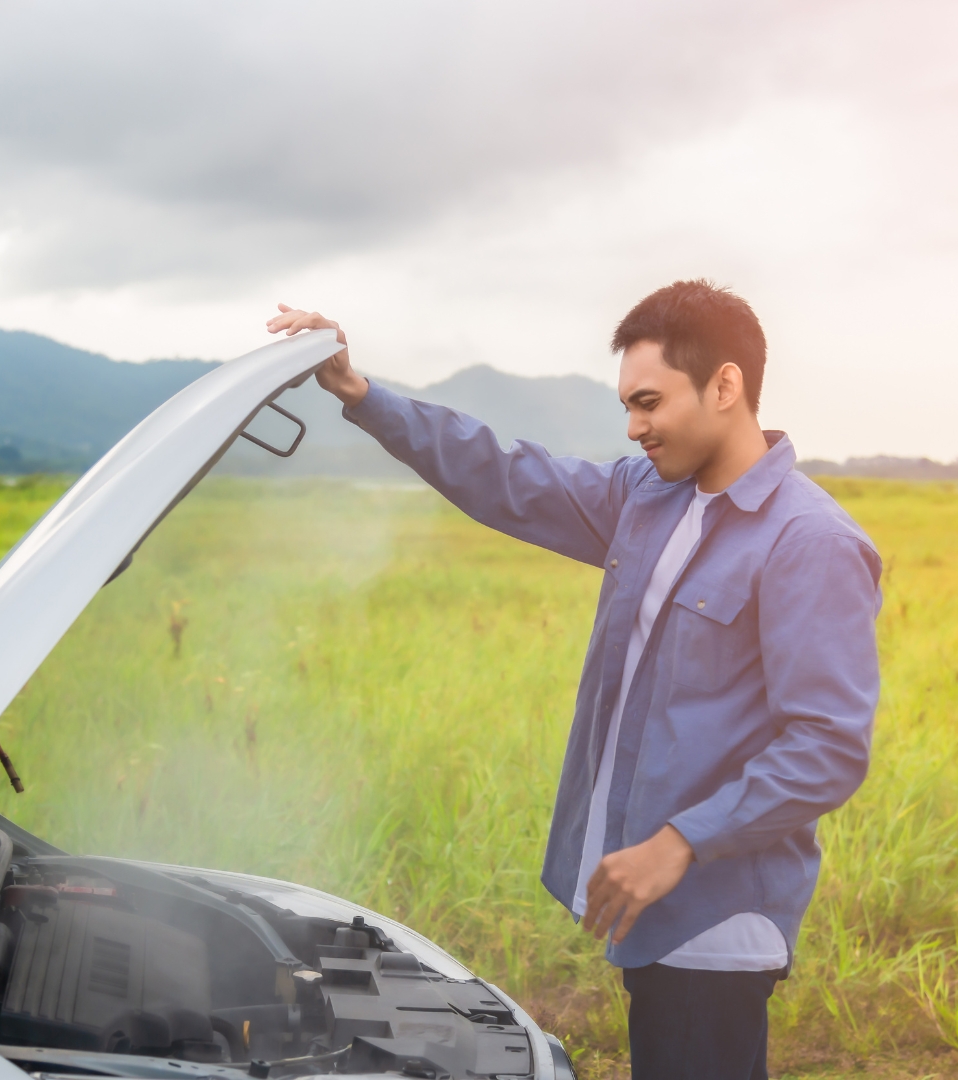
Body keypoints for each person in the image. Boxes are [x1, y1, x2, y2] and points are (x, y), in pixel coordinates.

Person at [267, 281, 881, 1080]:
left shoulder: (811, 541)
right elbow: (504, 475)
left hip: (717, 923)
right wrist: (360, 393)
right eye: (628, 404)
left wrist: (680, 842)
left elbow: (828, 747)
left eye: (650, 402)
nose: (634, 427)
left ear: (725, 386)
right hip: (653, 910)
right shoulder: (646, 498)